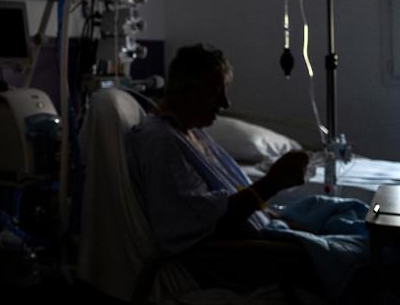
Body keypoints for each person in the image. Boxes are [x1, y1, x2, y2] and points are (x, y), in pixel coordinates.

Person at [126, 44, 386, 300]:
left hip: (265, 223)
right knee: (367, 254)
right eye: (216, 92)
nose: (225, 103)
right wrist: (273, 182)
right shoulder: (161, 142)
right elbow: (198, 225)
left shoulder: (190, 133)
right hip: (234, 253)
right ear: (186, 89)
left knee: (351, 214)